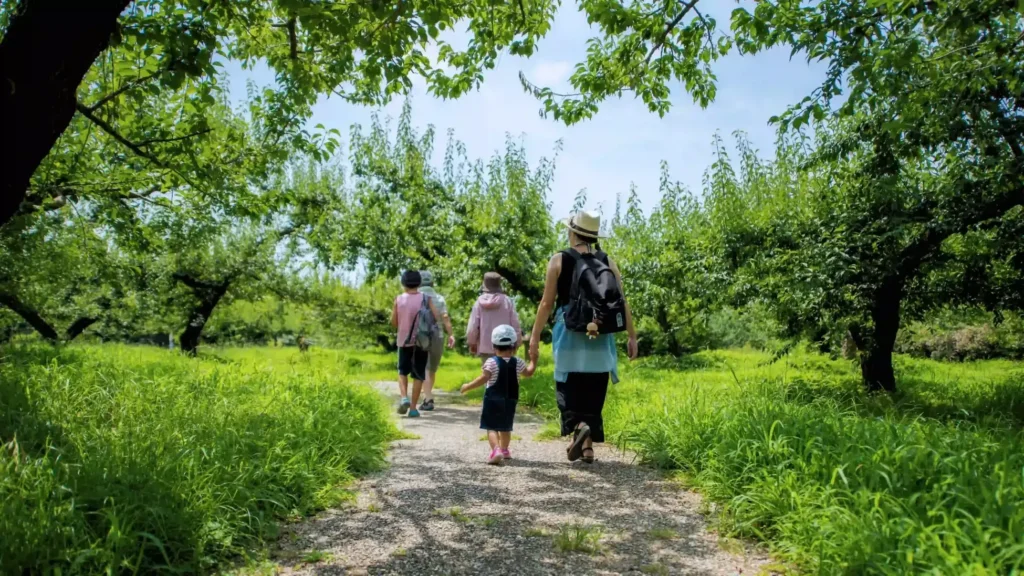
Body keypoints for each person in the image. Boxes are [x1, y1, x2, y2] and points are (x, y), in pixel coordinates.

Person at [529, 211, 638, 463]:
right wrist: (632, 336)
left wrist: (534, 338)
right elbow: (621, 301)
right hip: (599, 333)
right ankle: (587, 447)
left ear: (572, 231)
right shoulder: (607, 261)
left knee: (568, 386)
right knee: (594, 387)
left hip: (569, 331)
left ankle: (578, 426)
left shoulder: (559, 260)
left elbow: (546, 303)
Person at [461, 324, 536, 465]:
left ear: (494, 347)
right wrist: (534, 360)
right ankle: (505, 449)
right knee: (506, 427)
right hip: (510, 400)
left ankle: (496, 450)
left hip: (493, 400)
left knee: (492, 426)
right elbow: (529, 373)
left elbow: (483, 378)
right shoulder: (518, 362)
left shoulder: (491, 362)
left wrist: (467, 387)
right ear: (514, 347)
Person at [391, 270, 443, 418]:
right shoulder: (426, 299)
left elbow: (394, 322)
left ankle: (404, 398)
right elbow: (435, 317)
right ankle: (413, 408)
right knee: (419, 374)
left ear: (403, 283)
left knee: (402, 371)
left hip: (403, 341)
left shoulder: (399, 299)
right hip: (422, 341)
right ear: (419, 283)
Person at [418, 270, 456, 411]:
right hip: (438, 335)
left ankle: (428, 398)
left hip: (420, 337)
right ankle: (427, 395)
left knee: (425, 368)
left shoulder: (415, 297)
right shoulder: (439, 298)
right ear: (432, 282)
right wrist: (451, 334)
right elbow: (445, 317)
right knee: (431, 369)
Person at [466, 272, 522, 361]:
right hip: (506, 346)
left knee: (488, 373)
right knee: (505, 373)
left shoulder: (478, 303)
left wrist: (472, 342)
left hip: (485, 347)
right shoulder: (507, 301)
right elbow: (515, 323)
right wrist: (517, 342)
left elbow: (473, 326)